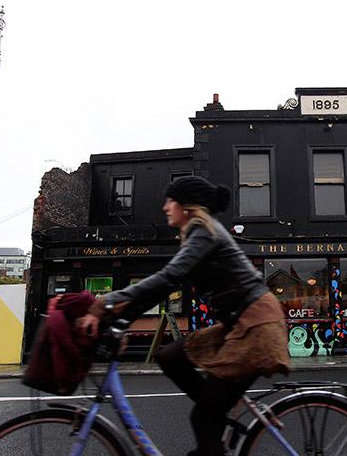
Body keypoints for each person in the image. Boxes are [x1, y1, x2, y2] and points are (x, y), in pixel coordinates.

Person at [77, 176, 291, 456]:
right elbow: (165, 287)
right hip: (238, 323)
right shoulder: (197, 234)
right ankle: (218, 414)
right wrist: (120, 321)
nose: (165, 207)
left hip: (256, 326)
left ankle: (213, 420)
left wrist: (106, 302)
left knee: (202, 418)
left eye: (170, 200)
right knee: (170, 356)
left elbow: (169, 276)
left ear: (187, 206)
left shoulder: (204, 231)